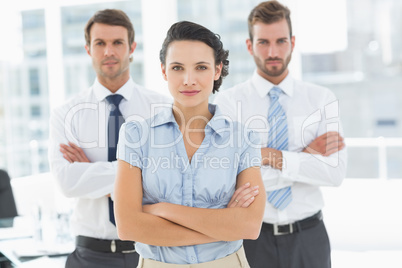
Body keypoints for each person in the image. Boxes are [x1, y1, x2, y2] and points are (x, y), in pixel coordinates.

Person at [114, 21, 266, 267]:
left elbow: (249, 225)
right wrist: (223, 226)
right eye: (177, 67)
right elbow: (128, 226)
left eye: (201, 67)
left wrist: (162, 209)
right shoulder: (135, 136)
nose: (188, 79)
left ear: (217, 71)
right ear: (164, 71)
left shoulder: (243, 139)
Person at [214, 1, 347, 268]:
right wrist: (305, 156)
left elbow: (334, 174)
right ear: (250, 45)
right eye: (263, 42)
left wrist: (266, 157)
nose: (272, 51)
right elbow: (230, 182)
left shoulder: (321, 99)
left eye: (280, 41)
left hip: (310, 238)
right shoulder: (228, 104)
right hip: (252, 238)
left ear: (292, 42)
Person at [48, 9, 171, 268]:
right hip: (90, 254)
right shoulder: (66, 114)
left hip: (153, 252)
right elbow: (67, 183)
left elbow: (169, 180)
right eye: (100, 43)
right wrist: (139, 171)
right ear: (88, 49)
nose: (108, 52)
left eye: (117, 43)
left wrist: (91, 172)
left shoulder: (163, 109)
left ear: (132, 48)